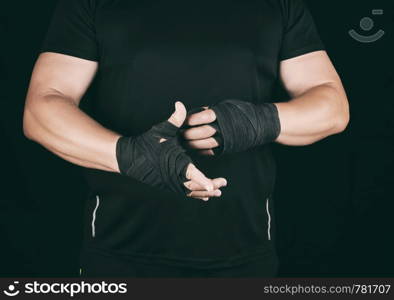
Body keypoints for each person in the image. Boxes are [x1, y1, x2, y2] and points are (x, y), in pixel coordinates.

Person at [23, 0, 349, 277]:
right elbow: (42, 107)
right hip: (119, 255)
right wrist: (131, 156)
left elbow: (332, 107)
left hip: (244, 258)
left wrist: (255, 122)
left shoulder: (280, 3)